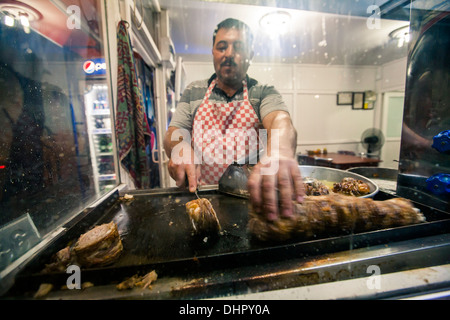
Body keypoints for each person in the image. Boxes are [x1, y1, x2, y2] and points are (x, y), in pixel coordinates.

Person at [163, 18, 304, 221]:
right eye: (222, 47)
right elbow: (174, 133)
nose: (229, 53)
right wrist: (180, 148)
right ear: (213, 52)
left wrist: (280, 151)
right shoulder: (194, 91)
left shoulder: (263, 92)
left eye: (238, 47)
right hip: (202, 201)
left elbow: (280, 120)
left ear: (250, 55)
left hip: (250, 204)